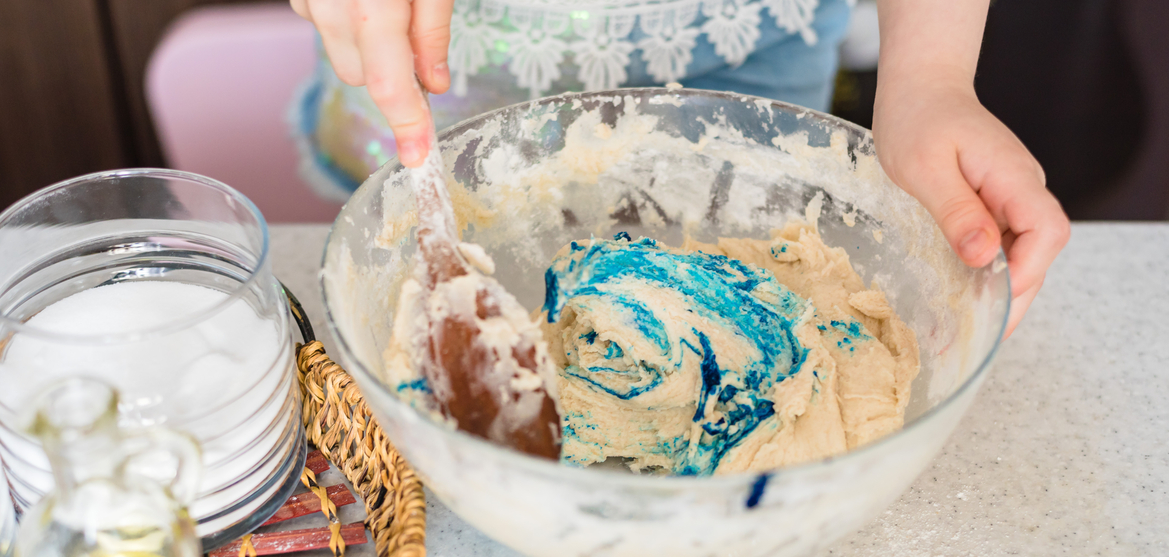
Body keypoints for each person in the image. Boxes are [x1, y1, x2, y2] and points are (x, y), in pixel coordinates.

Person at [290, 0, 1069, 336]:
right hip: (440, 53)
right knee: (405, 279)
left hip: (744, 48)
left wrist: (930, 77)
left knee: (744, 271)